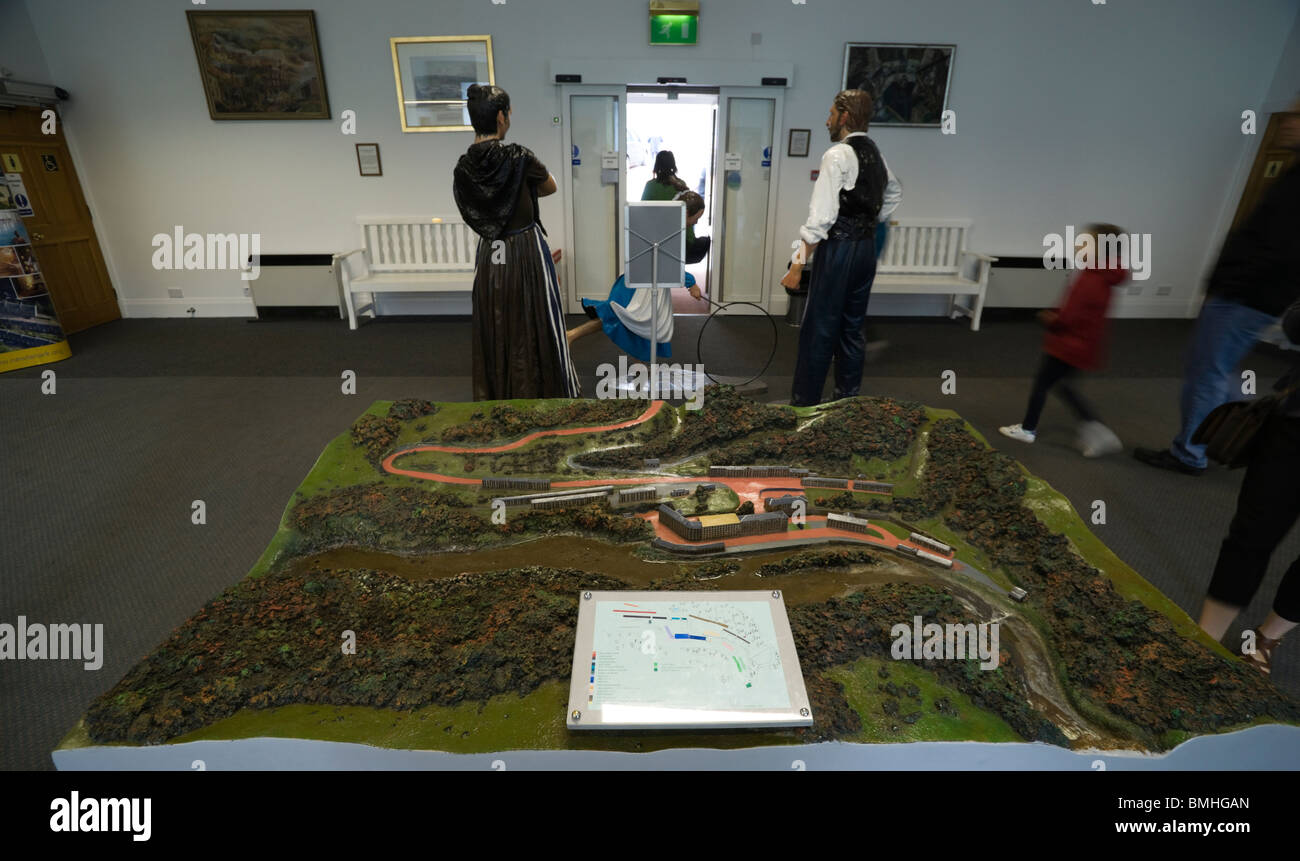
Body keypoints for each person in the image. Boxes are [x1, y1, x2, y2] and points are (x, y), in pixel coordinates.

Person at [1134, 105, 1300, 476]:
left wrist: (1228, 286)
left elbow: (1278, 249)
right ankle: (1250, 442)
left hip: (1244, 296)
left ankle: (1189, 453)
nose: (1287, 122)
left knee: (1207, 372)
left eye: (1296, 116)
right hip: (1252, 296)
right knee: (1221, 370)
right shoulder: (1292, 175)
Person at [452, 84, 580, 400]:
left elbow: (474, 208)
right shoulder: (519, 157)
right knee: (537, 320)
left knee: (496, 321)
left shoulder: (463, 168)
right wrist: (519, 191)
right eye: (508, 113)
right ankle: (541, 394)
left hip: (490, 253)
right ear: (500, 116)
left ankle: (499, 396)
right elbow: (550, 187)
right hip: (526, 249)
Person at [1196, 296, 1300, 674]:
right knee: (1252, 534)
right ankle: (1203, 639)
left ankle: (1267, 638)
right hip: (1294, 428)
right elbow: (1294, 323)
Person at [780, 89, 902, 405]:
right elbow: (893, 193)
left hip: (839, 251)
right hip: (864, 252)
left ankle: (805, 405)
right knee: (852, 328)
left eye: (831, 114)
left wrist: (797, 264)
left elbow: (820, 218)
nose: (827, 120)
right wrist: (868, 222)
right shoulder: (876, 153)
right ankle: (847, 401)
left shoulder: (837, 154)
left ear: (844, 117)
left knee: (819, 328)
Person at [999, 224, 1129, 456]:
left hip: (1068, 343)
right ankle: (1097, 432)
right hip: (1082, 343)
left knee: (1043, 384)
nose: (1078, 244)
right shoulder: (1103, 274)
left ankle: (1028, 429)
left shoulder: (1091, 278)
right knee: (1065, 387)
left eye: (1085, 242)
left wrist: (1049, 318)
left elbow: (1070, 315)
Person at [567, 193, 707, 352]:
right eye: (696, 217)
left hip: (641, 281)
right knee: (625, 318)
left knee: (633, 322)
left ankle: (572, 335)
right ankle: (571, 335)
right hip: (639, 285)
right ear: (687, 212)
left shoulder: (663, 225)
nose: (696, 222)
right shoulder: (669, 229)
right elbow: (667, 263)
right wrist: (691, 282)